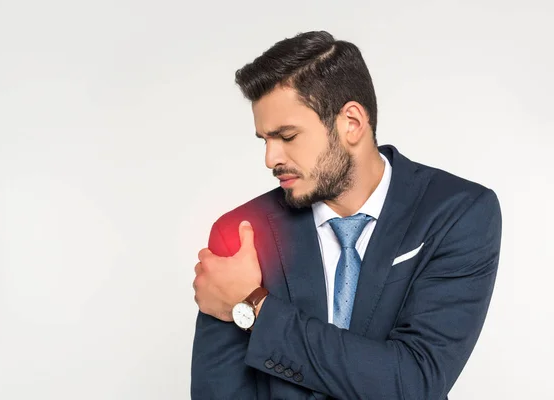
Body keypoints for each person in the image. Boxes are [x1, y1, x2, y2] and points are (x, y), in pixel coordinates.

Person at [190, 30, 502, 400]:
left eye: (287, 136)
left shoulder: (457, 213)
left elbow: (414, 382)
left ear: (351, 122)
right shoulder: (240, 233)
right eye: (265, 140)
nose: (270, 158)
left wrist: (255, 306)